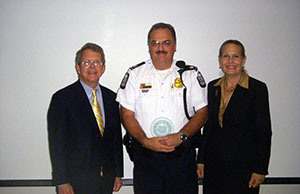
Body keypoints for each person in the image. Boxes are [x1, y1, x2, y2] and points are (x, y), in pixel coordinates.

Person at [117, 22, 208, 194]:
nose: (160, 47)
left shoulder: (190, 74)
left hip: (181, 156)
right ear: (149, 47)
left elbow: (203, 112)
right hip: (146, 157)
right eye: (155, 43)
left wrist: (181, 136)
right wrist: (144, 141)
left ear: (175, 46)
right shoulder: (135, 74)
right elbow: (126, 114)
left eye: (166, 42)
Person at [197, 39, 272, 194]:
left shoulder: (257, 89)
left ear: (243, 60)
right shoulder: (212, 87)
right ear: (219, 59)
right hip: (214, 166)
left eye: (236, 56)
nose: (230, 61)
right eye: (225, 56)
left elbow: (264, 132)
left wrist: (260, 169)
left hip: (244, 169)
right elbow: (209, 127)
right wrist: (201, 160)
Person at [47, 43, 123, 194]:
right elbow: (57, 143)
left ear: (103, 68)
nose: (92, 67)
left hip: (105, 180)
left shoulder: (112, 98)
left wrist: (117, 173)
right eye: (86, 62)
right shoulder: (62, 99)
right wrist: (61, 181)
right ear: (78, 68)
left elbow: (115, 139)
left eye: (96, 62)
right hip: (75, 182)